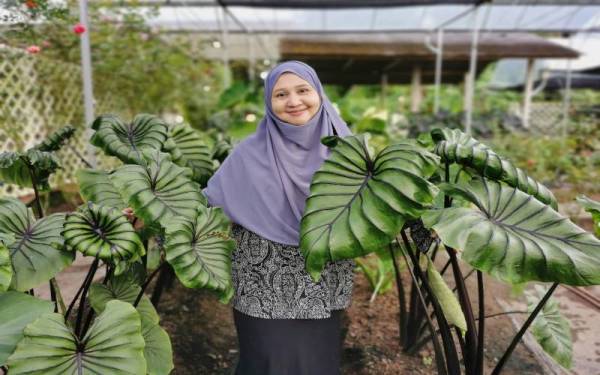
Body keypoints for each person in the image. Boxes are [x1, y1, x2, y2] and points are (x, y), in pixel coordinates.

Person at [202, 60, 356, 375]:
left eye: (303, 90)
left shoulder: (349, 153)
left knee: (316, 364)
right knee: (266, 363)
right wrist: (151, 211)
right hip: (262, 284)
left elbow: (384, 206)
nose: (294, 101)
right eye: (280, 94)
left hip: (321, 282)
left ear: (319, 94)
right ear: (269, 104)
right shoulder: (248, 153)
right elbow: (207, 206)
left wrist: (431, 226)